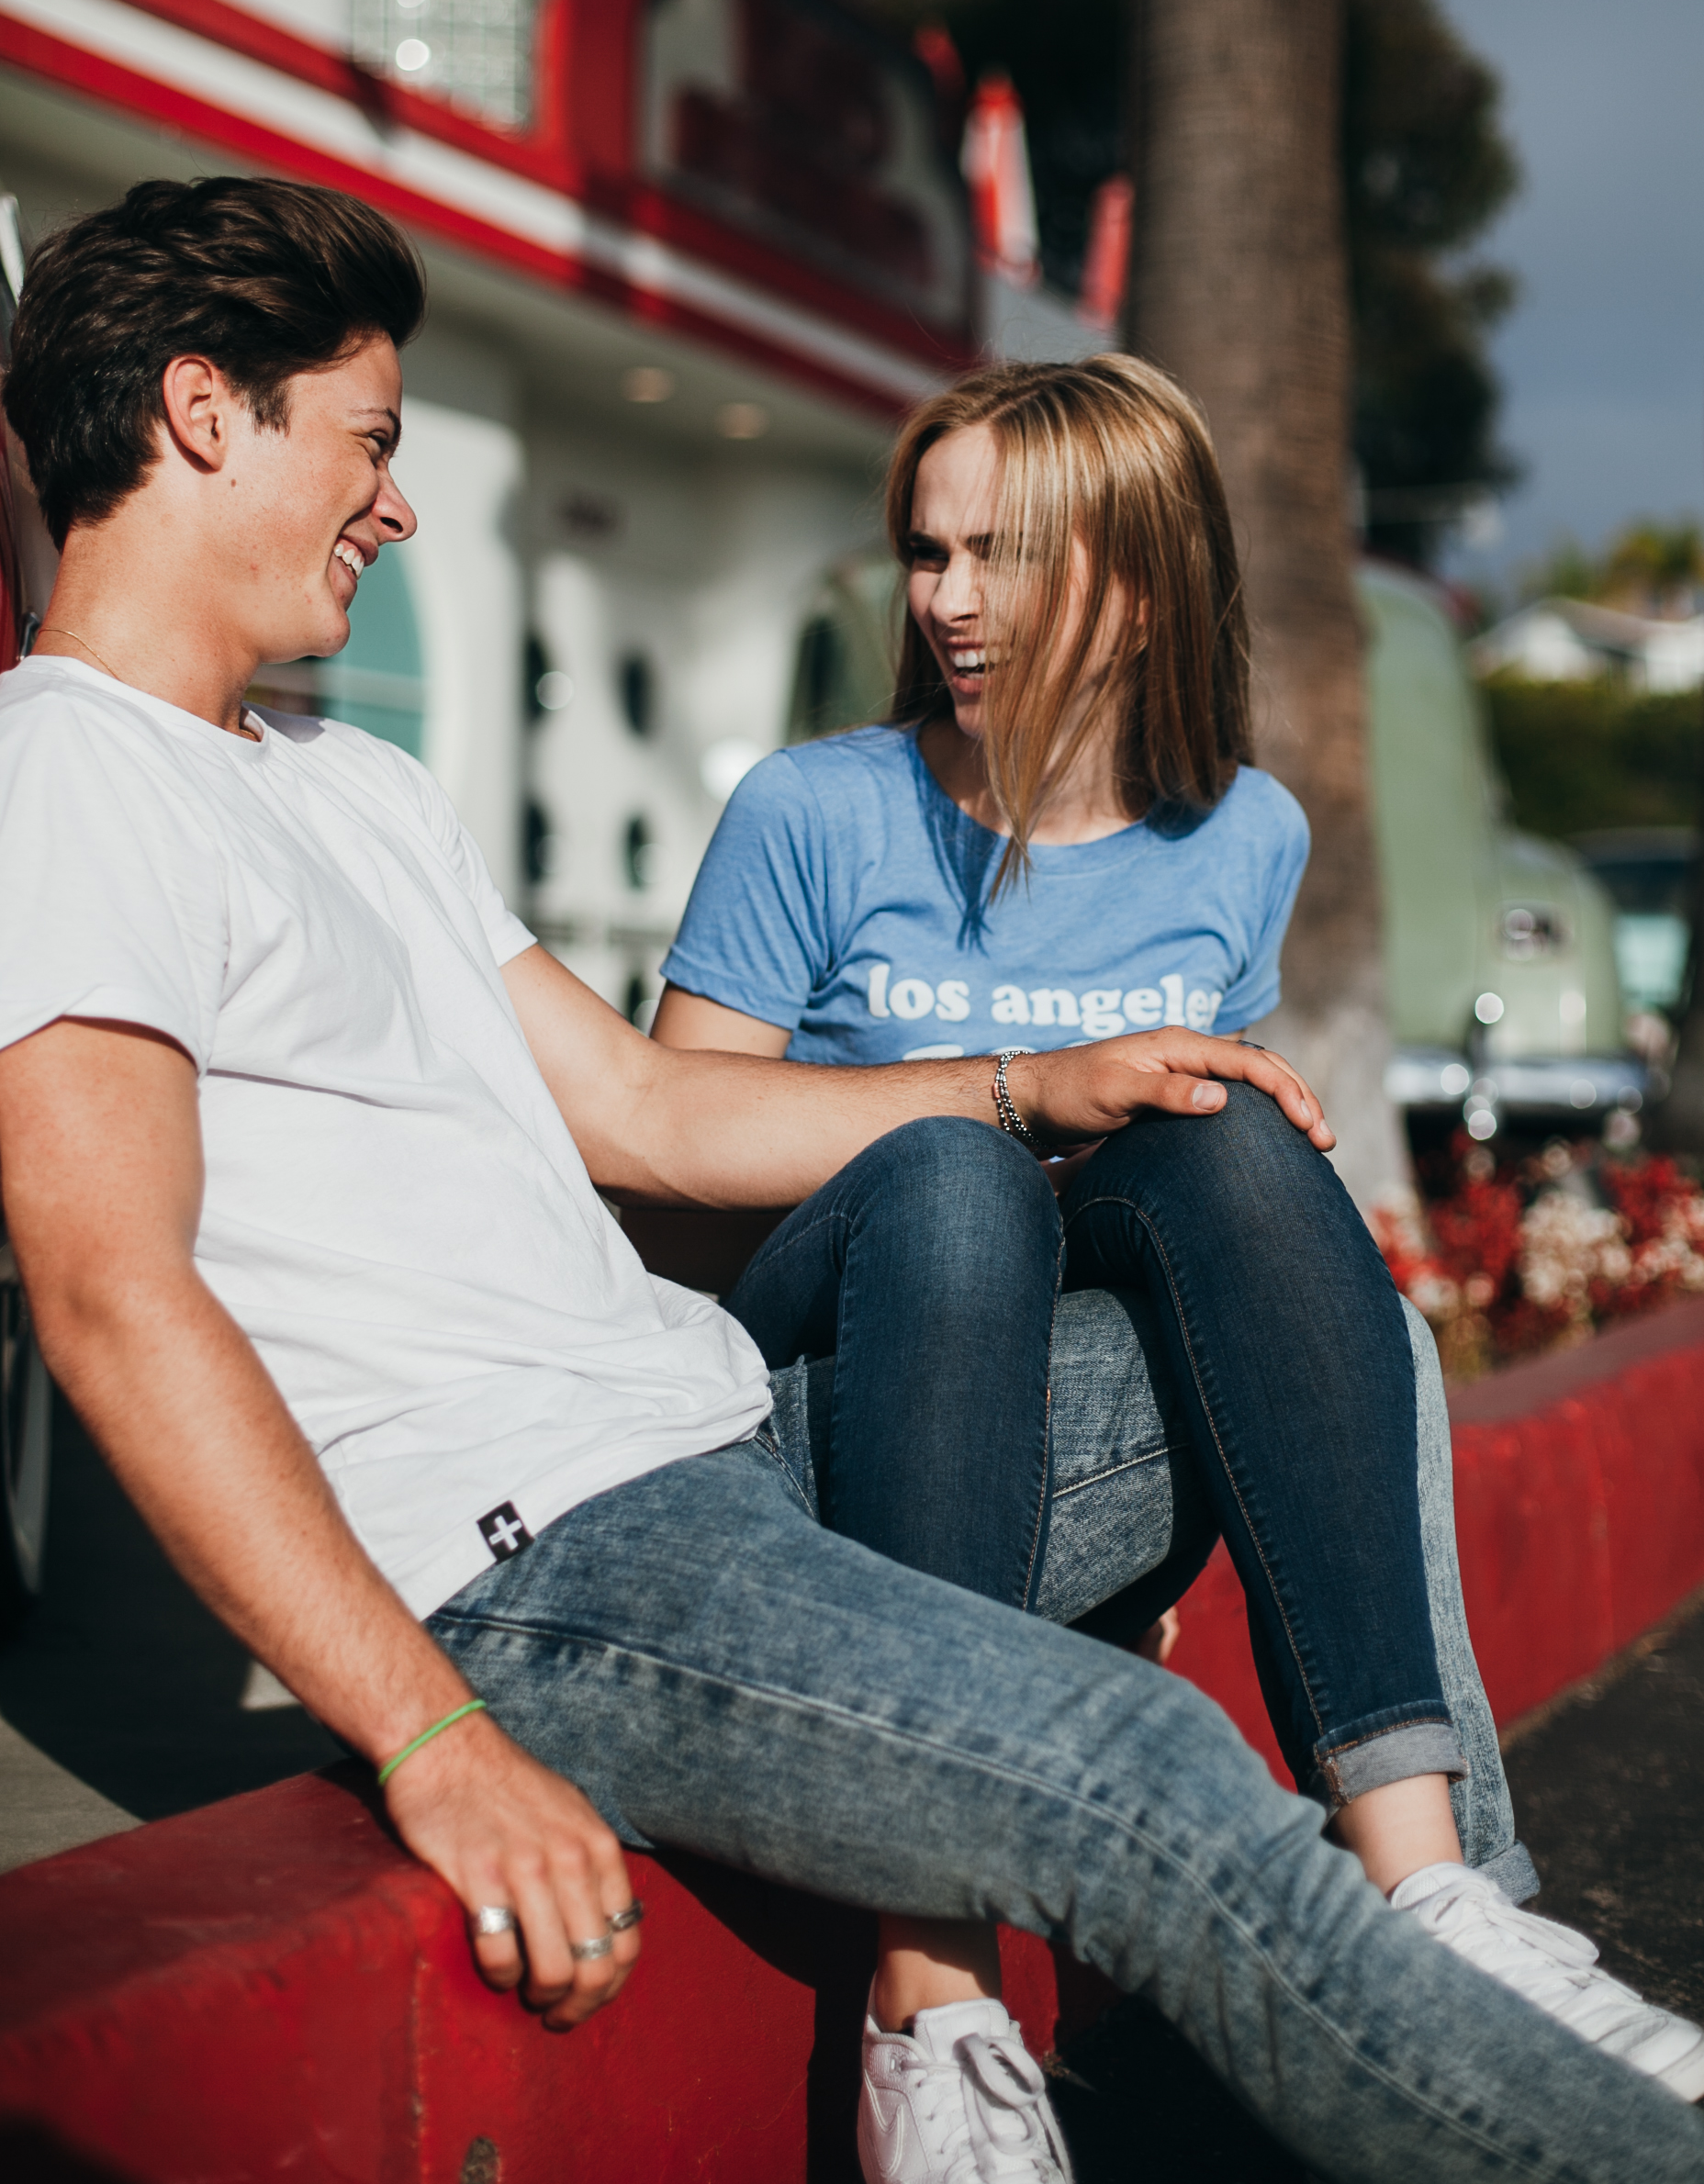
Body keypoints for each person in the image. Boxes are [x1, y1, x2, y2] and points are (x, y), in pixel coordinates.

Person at [0, 180, 1698, 2184]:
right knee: (1133, 1766)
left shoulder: (346, 782)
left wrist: (1036, 1081)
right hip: (546, 1561)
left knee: (1299, 1311)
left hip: (735, 1447)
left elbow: (642, 1109)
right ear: (206, 414)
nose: (401, 501)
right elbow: (115, 1291)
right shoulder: (70, 778)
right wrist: (432, 1735)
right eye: (369, 438)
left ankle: (1447, 1895)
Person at [653, 351, 1704, 2144]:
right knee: (954, 1179)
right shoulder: (814, 813)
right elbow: (667, 1176)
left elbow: (1200, 1247)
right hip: (841, 1368)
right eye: (928, 552)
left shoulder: (1242, 835)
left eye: (1000, 554)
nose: (948, 600)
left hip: (1067, 1389)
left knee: (1237, 1147)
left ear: (1133, 583)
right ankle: (938, 1993)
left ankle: (1432, 1888)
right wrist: (1003, 1096)